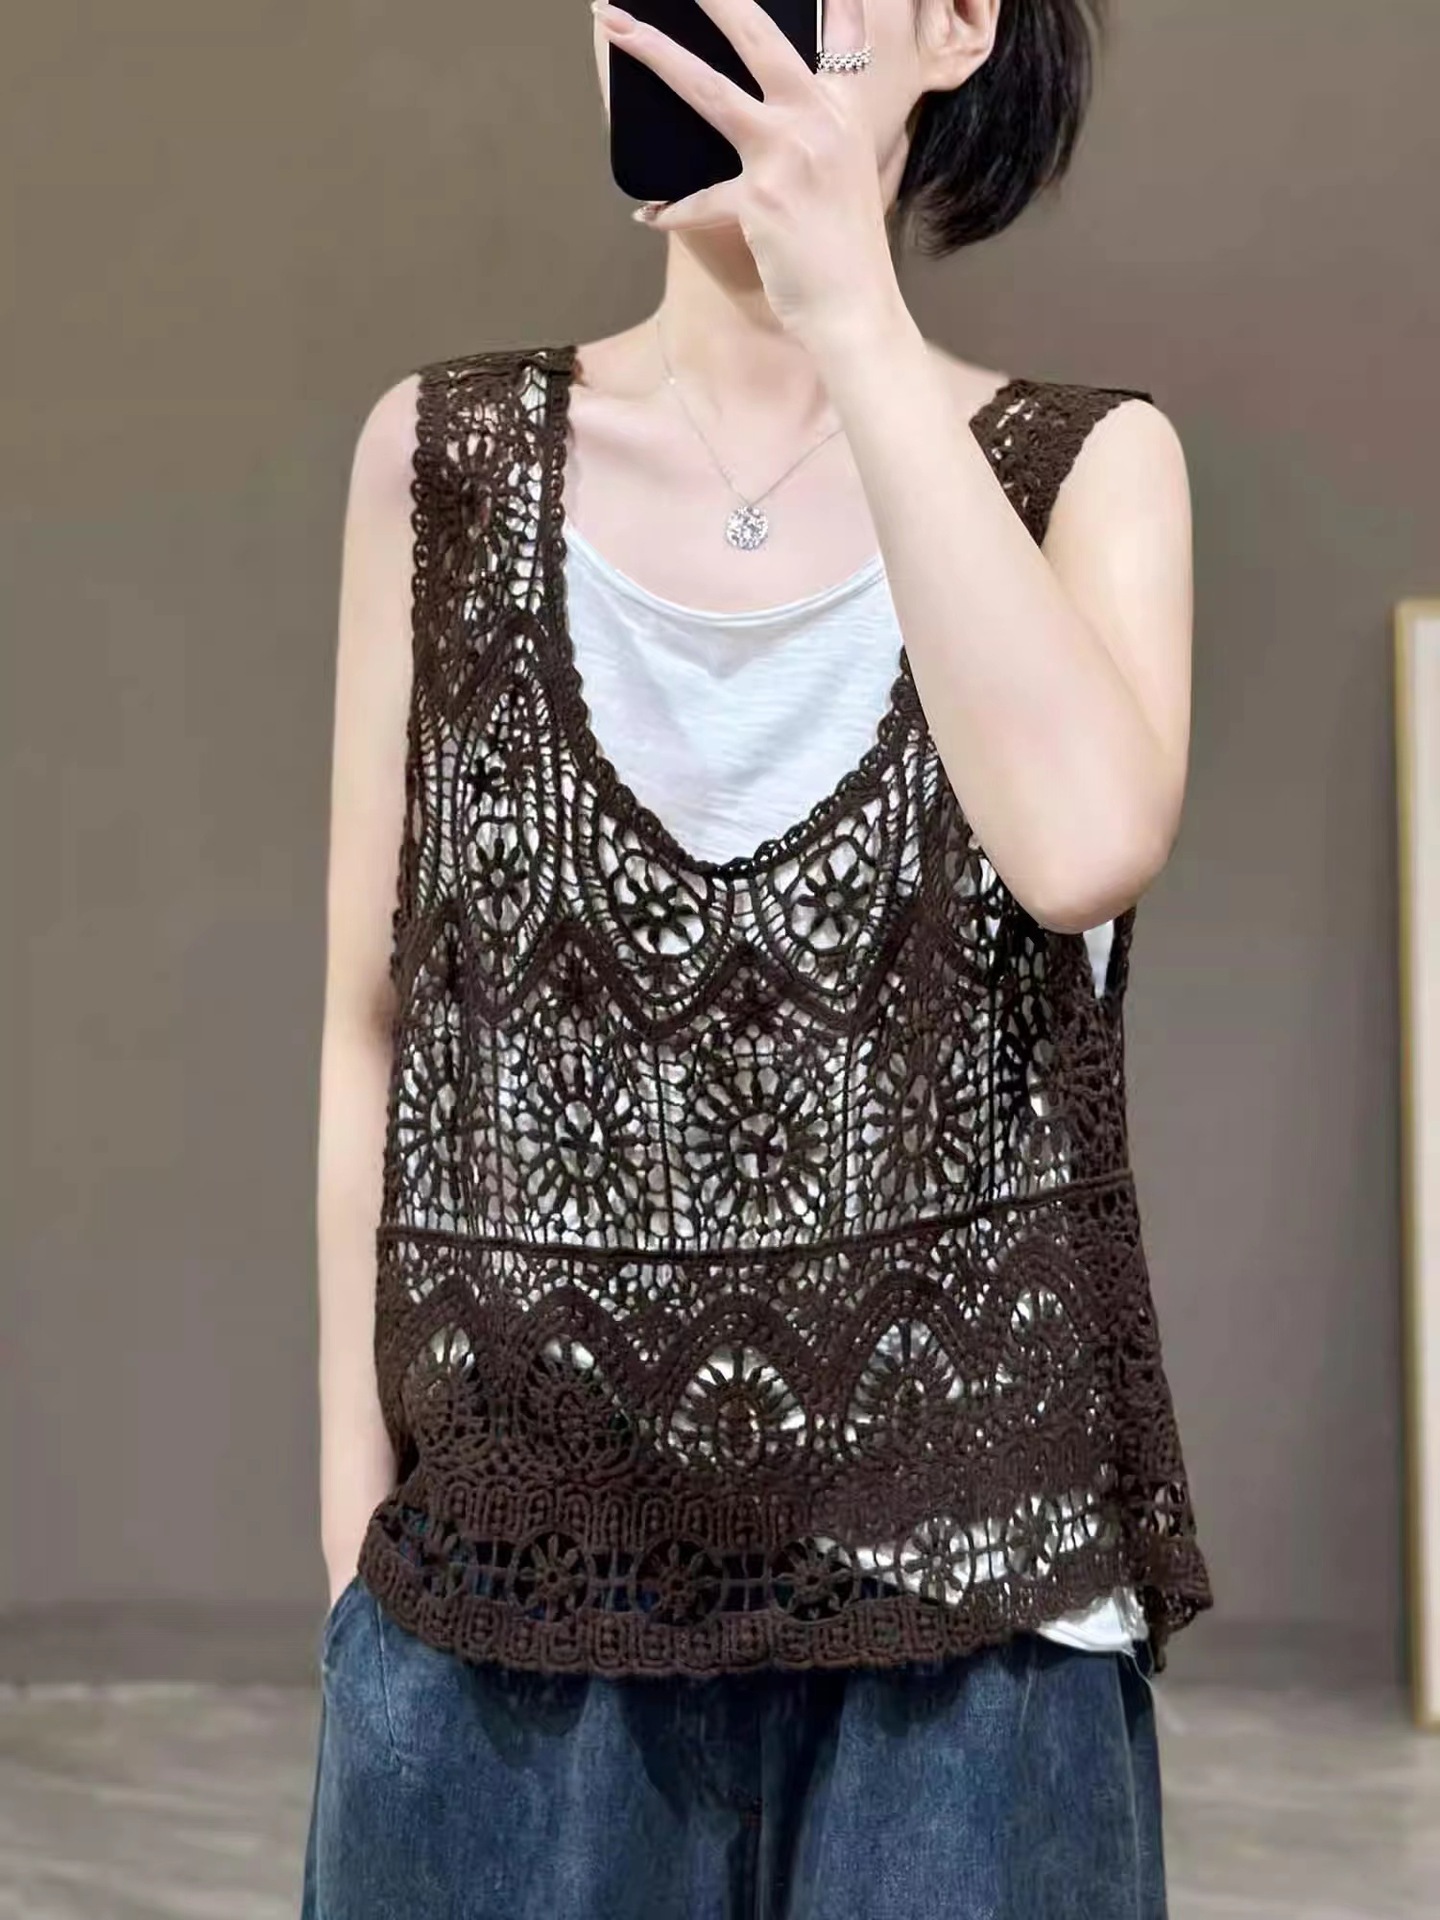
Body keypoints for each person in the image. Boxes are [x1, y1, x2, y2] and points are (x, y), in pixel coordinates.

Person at [300, 2, 1211, 1915]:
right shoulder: (444, 457)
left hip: (974, 1628)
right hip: (509, 1609)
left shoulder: (1089, 469)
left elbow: (1079, 849)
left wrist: (854, 320)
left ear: (956, 25)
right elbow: (377, 1024)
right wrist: (351, 1555)